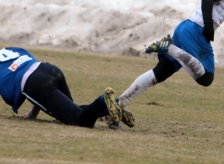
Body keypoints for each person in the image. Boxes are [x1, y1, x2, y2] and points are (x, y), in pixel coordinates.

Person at [0, 47, 134, 128]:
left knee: (78, 120)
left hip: (36, 84)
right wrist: (33, 112)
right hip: (49, 69)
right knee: (77, 111)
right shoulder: (9, 49)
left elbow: (9, 95)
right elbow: (30, 65)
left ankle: (103, 100)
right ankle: (110, 109)